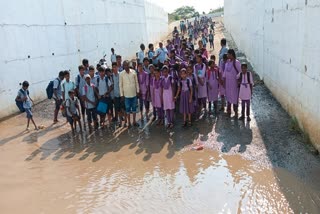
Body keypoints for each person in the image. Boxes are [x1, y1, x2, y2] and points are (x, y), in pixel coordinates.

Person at [119, 60, 140, 127]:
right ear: (123, 66)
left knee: (134, 108)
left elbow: (136, 82)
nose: (126, 66)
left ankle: (134, 121)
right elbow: (120, 85)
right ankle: (129, 123)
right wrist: (122, 95)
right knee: (127, 109)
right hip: (126, 95)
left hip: (134, 93)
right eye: (124, 65)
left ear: (129, 65)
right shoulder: (121, 74)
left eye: (127, 65)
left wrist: (138, 91)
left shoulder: (133, 72)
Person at [223, 49, 241, 117]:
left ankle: (236, 112)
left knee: (235, 97)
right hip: (228, 84)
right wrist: (224, 82)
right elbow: (224, 73)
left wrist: (237, 78)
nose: (227, 55)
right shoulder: (227, 63)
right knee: (228, 96)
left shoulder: (236, 62)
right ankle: (229, 111)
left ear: (231, 54)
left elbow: (240, 72)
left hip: (234, 84)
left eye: (228, 54)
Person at [111, 62, 125, 127]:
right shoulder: (112, 76)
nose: (114, 68)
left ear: (117, 67)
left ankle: (125, 122)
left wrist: (123, 94)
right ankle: (120, 122)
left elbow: (123, 84)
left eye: (115, 67)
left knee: (123, 109)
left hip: (122, 94)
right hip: (116, 95)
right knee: (118, 109)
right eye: (113, 67)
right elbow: (112, 86)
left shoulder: (121, 74)